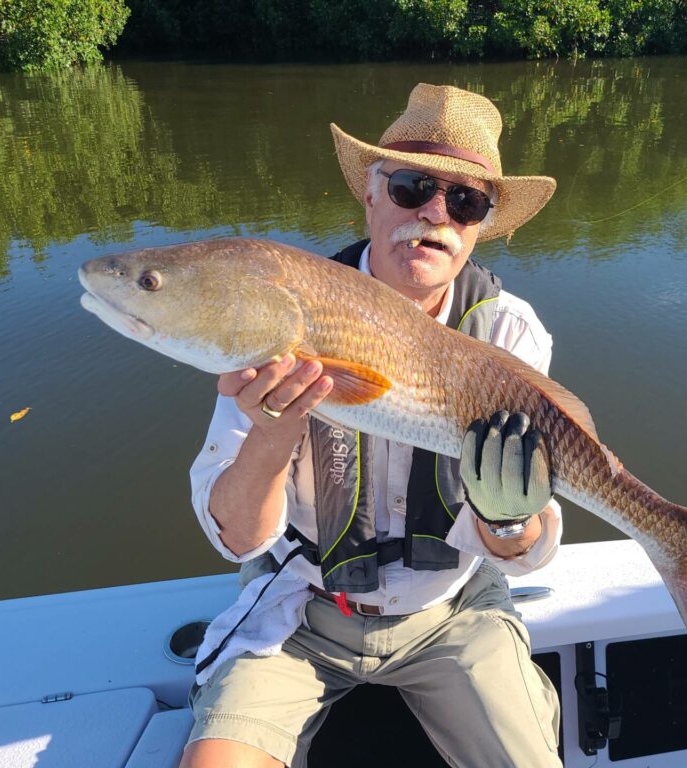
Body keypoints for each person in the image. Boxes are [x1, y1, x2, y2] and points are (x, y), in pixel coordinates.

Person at [183, 83, 563, 768]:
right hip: (301, 611)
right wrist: (271, 436)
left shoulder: (509, 333)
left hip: (453, 611)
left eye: (465, 200)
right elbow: (236, 538)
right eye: (411, 186)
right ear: (370, 192)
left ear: (482, 224)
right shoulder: (283, 313)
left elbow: (523, 547)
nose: (434, 215)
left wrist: (510, 519)